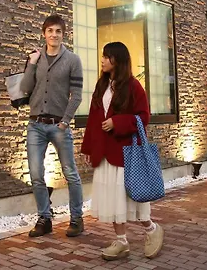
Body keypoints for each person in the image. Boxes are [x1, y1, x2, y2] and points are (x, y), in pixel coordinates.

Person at [80, 42, 164, 260]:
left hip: (125, 153)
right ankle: (121, 241)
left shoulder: (134, 86)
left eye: (107, 56)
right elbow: (93, 118)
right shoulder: (102, 85)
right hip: (104, 151)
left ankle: (152, 229)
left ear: (118, 60)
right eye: (102, 56)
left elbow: (143, 117)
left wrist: (117, 122)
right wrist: (88, 147)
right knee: (113, 199)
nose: (102, 60)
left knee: (130, 196)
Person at [19, 14, 84, 237]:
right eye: (50, 31)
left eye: (58, 31)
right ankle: (44, 219)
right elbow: (25, 88)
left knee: (70, 173)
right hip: (35, 125)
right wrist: (32, 63)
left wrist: (65, 121)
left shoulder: (73, 60)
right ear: (44, 33)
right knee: (36, 174)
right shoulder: (36, 58)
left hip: (59, 125)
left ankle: (76, 219)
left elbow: (76, 95)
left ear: (63, 34)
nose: (54, 35)